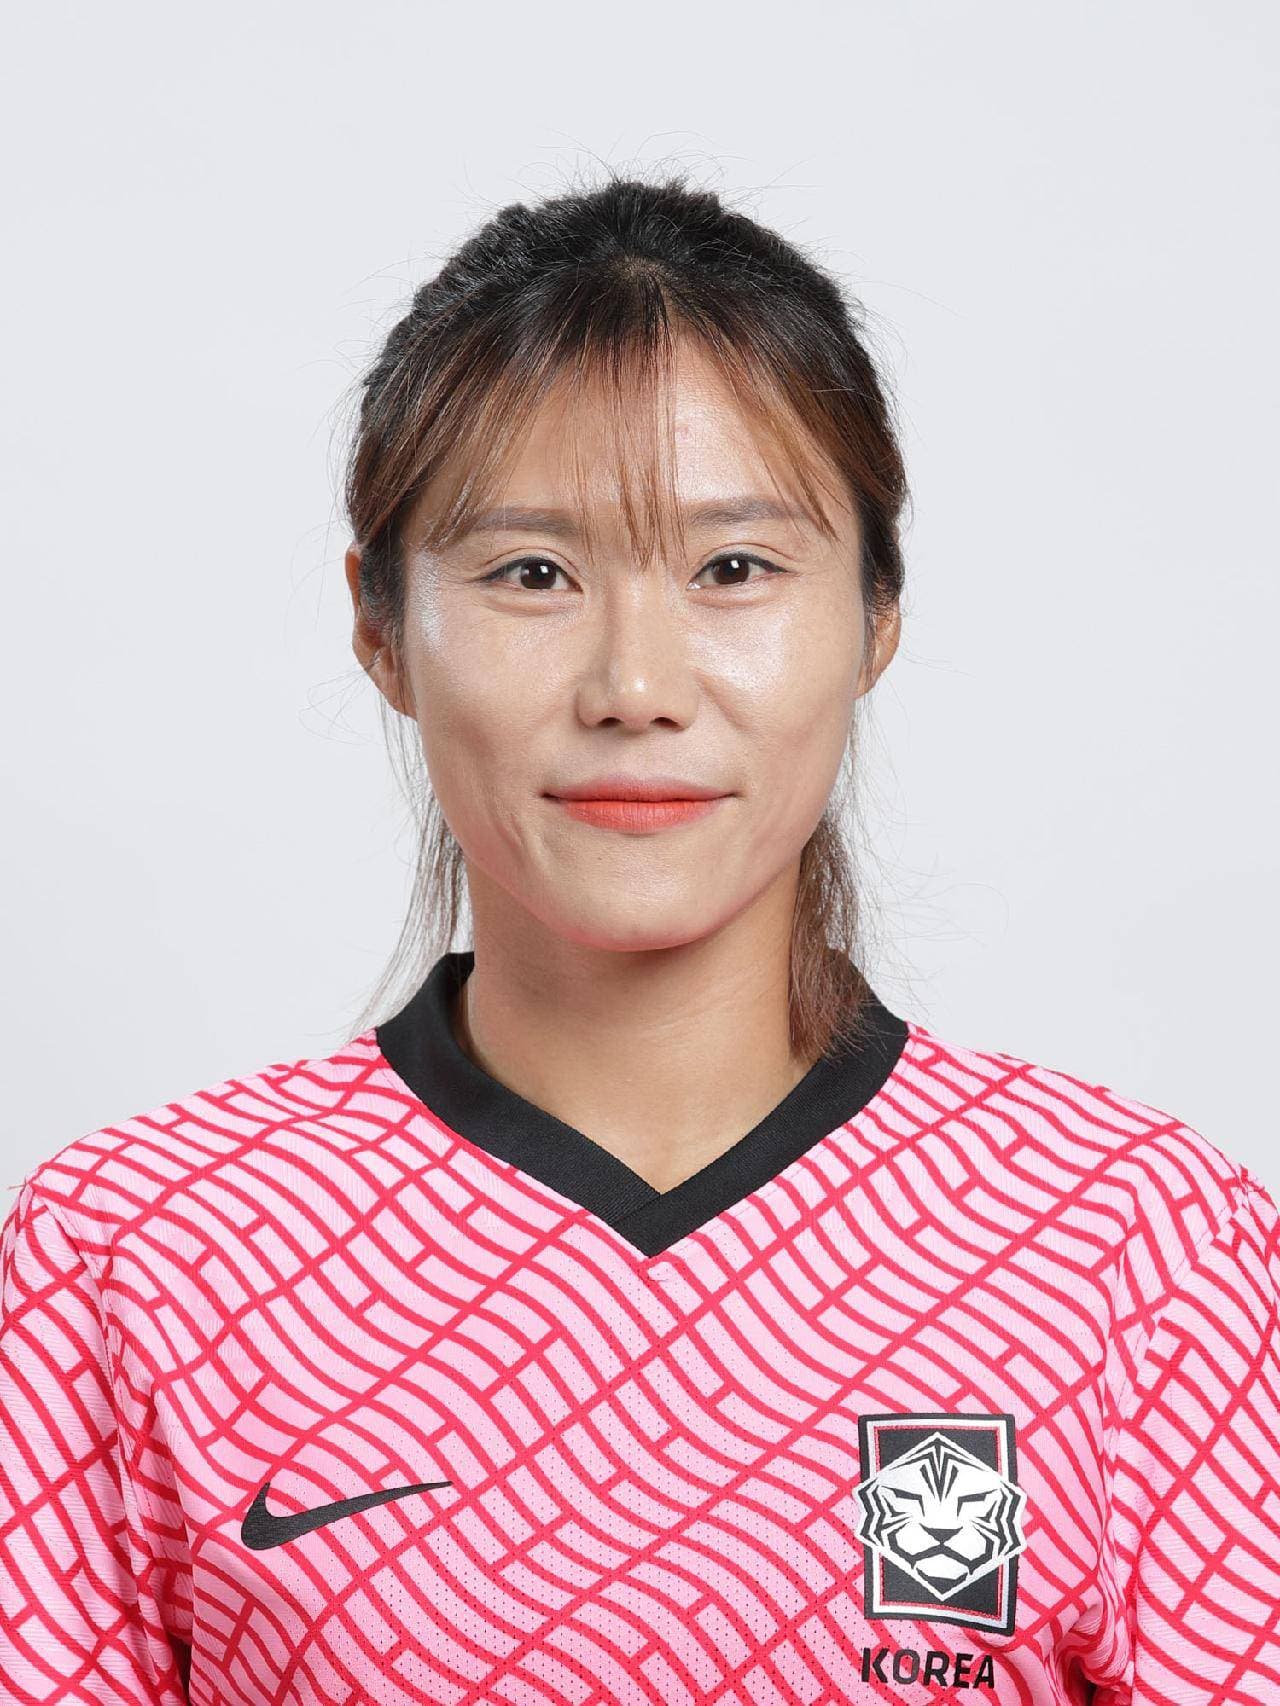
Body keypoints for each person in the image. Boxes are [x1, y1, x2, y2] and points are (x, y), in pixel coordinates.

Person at [1, 173, 1276, 1706]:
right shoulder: (138, 1254)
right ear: (381, 627)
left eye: (735, 568)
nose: (636, 687)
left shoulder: (1139, 1248)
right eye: (531, 573)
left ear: (877, 612)